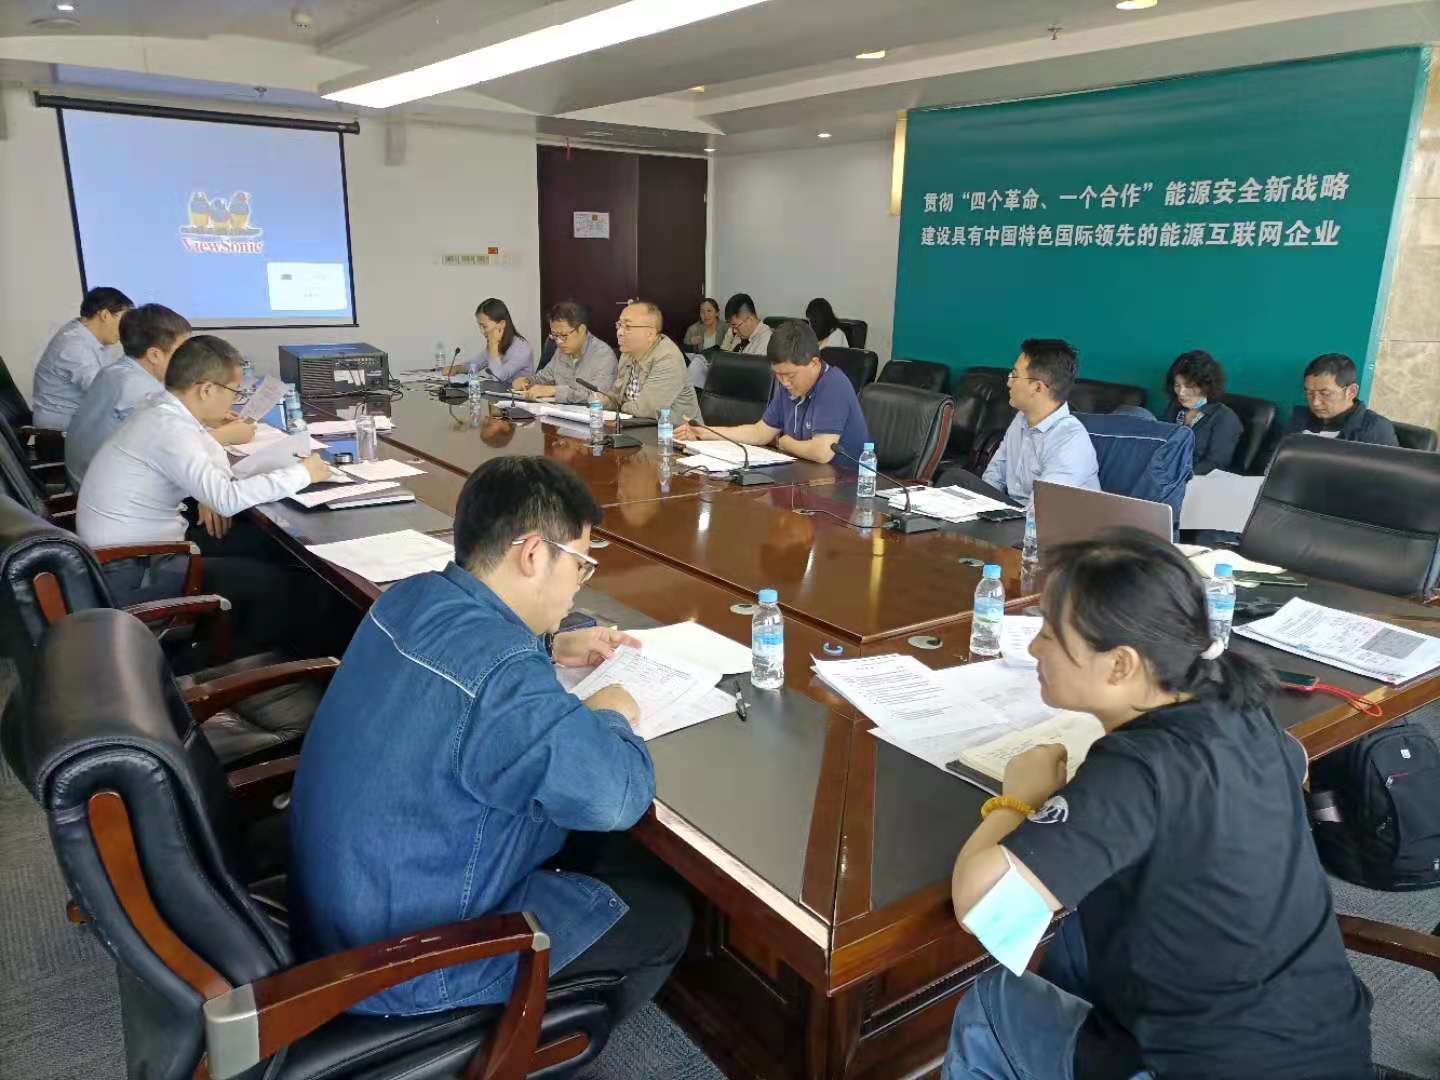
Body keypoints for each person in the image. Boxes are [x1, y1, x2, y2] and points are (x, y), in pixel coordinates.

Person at [943, 529, 1371, 1080]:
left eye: (1049, 633)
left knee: (992, 1005)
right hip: (1326, 1044)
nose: (1033, 649)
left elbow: (981, 905)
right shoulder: (1237, 700)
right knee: (1076, 933)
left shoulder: (1138, 770)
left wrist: (1018, 797)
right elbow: (1293, 762)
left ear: (1120, 666)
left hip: (1201, 1065)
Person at [289, 456, 692, 1020]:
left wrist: (549, 647)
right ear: (533, 554)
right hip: (407, 957)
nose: (580, 584)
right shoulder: (500, 677)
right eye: (581, 564)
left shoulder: (410, 595)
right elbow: (616, 797)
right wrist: (611, 712)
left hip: (337, 907)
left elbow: (465, 667)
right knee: (663, 917)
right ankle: (510, 1041)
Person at [76, 335, 331, 655]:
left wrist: (214, 488)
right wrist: (303, 473)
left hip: (135, 554)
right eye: (234, 392)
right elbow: (226, 498)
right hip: (135, 570)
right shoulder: (171, 429)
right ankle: (249, 667)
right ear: (206, 389)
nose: (234, 402)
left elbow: (210, 462)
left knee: (270, 546)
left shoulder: (161, 411)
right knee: (275, 581)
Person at [674, 320, 868, 465]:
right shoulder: (788, 386)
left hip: (844, 487)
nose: (784, 382)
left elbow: (822, 452)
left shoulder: (833, 384)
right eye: (778, 375)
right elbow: (760, 432)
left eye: (790, 375)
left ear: (814, 363)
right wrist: (706, 432)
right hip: (805, 478)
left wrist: (785, 443)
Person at [980, 339, 1099, 507]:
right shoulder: (1021, 418)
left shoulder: (1069, 440)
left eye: (1015, 375)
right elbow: (995, 474)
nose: (1008, 382)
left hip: (1050, 520)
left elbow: (1043, 509)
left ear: (1037, 387)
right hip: (1014, 511)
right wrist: (978, 506)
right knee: (957, 479)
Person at [31, 285, 133, 431]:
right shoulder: (74, 345)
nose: (126, 328)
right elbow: (104, 392)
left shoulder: (85, 333)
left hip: (78, 421)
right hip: (58, 430)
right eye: (123, 320)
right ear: (105, 315)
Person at [1281, 353, 1398, 446]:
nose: (1315, 402)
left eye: (1325, 394)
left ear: (1351, 391)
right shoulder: (1299, 419)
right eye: (1309, 393)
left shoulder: (1375, 429)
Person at [610, 301, 702, 420]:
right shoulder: (628, 353)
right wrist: (602, 400)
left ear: (650, 334)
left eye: (627, 327)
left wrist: (619, 406)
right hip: (638, 424)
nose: (619, 332)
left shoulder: (668, 359)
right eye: (619, 325)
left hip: (676, 430)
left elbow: (647, 410)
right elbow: (617, 395)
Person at [512, 300, 617, 404]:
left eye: (564, 335)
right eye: (555, 335)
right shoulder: (561, 351)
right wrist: (527, 382)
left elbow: (598, 396)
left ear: (581, 330)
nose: (559, 342)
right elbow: (543, 378)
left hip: (589, 413)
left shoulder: (604, 355)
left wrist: (555, 391)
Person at [1162, 349, 1243, 475]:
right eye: (1177, 385)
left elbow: (1216, 464)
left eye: (1189, 386)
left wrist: (1177, 477)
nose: (1181, 392)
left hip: (1193, 480)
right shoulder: (1174, 408)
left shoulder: (1224, 418)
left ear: (1206, 385)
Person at [462, 298, 534, 383]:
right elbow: (475, 365)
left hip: (515, 391)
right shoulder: (496, 343)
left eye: (484, 326)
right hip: (497, 391)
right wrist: (455, 369)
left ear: (501, 324)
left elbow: (498, 378)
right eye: (480, 326)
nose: (481, 331)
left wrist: (493, 347)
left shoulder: (522, 349)